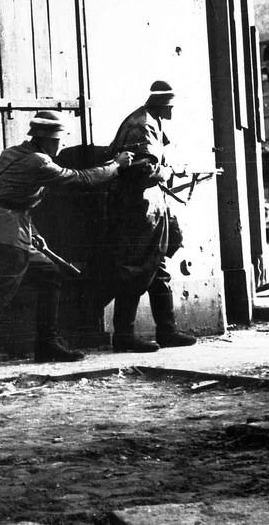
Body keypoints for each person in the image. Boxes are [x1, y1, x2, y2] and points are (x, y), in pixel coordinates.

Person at [0, 110, 135, 375]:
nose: (61, 145)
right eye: (59, 140)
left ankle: (47, 343)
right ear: (49, 140)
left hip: (11, 227)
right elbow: (80, 179)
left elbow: (12, 197)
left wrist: (32, 230)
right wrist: (116, 165)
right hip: (7, 235)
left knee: (49, 275)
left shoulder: (13, 153)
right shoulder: (38, 162)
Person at [101, 80, 196, 352]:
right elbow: (141, 170)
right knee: (135, 269)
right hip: (135, 209)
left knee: (158, 266)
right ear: (162, 105)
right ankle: (123, 336)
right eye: (171, 107)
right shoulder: (142, 125)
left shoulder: (151, 120)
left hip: (148, 206)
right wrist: (169, 171)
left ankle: (167, 331)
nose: (172, 111)